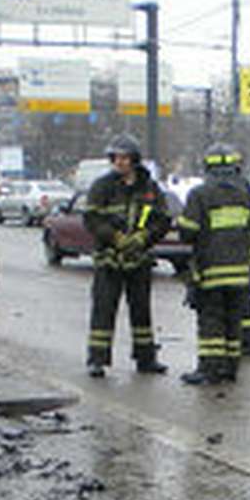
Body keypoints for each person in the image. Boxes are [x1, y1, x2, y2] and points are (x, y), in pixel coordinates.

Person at [83, 134, 171, 378]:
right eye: (116, 158)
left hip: (139, 260)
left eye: (125, 158)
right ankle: (97, 360)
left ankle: (146, 358)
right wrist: (114, 238)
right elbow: (91, 219)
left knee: (141, 313)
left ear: (135, 160)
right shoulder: (102, 187)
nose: (120, 162)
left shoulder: (150, 189)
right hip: (109, 259)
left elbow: (162, 220)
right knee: (103, 310)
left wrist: (143, 238)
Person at [177, 142, 250, 385]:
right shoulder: (245, 193)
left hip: (211, 270)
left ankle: (209, 369)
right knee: (233, 320)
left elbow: (188, 232)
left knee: (211, 320)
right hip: (240, 272)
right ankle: (230, 368)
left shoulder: (199, 194)